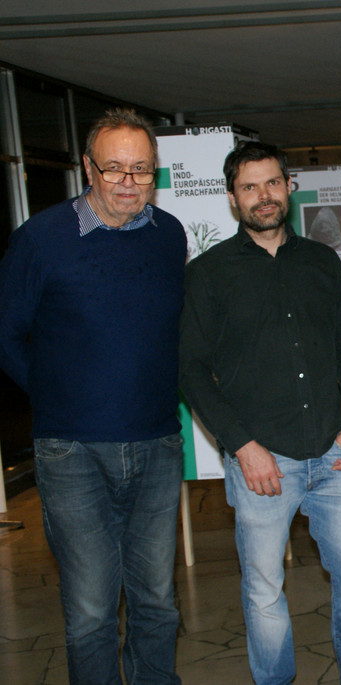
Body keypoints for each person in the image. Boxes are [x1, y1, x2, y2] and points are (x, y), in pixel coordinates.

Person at [178, 141, 341, 685]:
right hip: (261, 465)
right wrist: (242, 446)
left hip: (336, 457)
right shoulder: (208, 274)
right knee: (264, 591)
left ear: (288, 187)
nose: (263, 195)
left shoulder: (322, 261)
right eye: (250, 187)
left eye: (272, 183)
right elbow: (191, 370)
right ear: (232, 198)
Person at [0, 108, 184, 684]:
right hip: (71, 451)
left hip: (158, 443)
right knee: (90, 612)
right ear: (87, 168)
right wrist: (56, 396)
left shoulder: (169, 235)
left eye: (142, 169)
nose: (129, 182)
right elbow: (5, 335)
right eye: (115, 168)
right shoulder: (40, 240)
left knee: (158, 602)